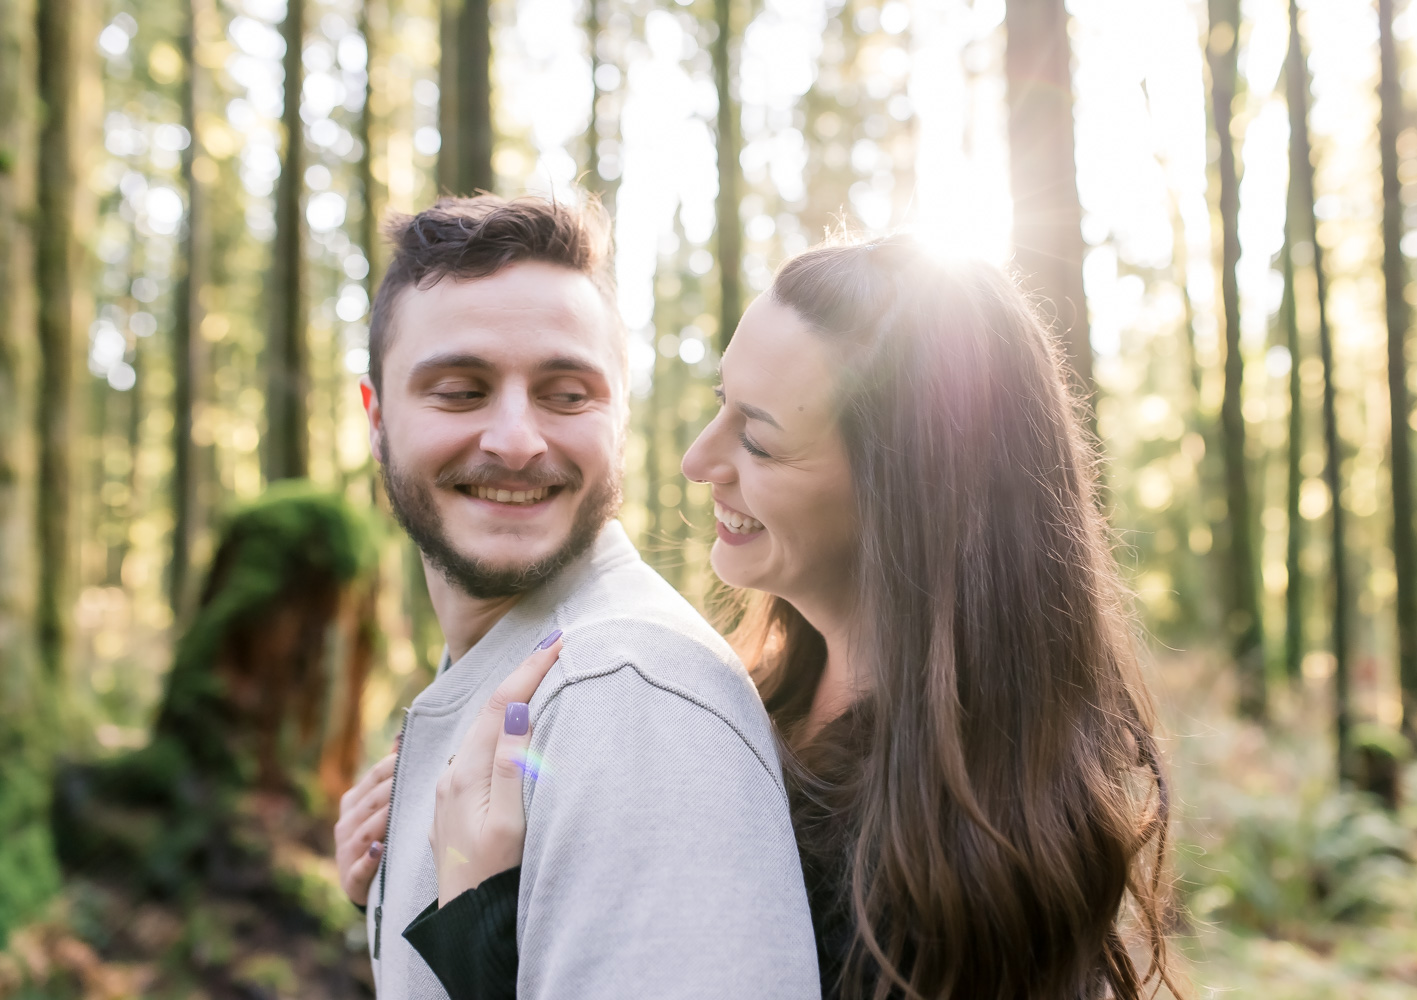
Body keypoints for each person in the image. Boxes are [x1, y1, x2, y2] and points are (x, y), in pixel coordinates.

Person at [413, 233, 1182, 1000]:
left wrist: (480, 927)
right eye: (723, 406)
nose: (698, 460)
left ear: (904, 498)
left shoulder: (951, 853)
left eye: (758, 439)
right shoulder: (736, 693)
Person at [331, 194, 821, 999]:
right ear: (376, 418)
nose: (518, 441)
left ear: (620, 417)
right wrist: (396, 893)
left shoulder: (625, 694)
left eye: (566, 395)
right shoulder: (502, 678)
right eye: (459, 390)